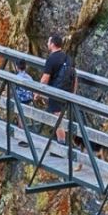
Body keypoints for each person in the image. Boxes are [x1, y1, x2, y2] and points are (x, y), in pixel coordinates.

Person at [39, 34, 79, 168]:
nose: (47, 44)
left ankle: (61, 147)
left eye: (48, 42)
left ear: (52, 44)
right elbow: (75, 76)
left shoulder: (51, 59)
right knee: (60, 117)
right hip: (66, 92)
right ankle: (64, 144)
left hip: (55, 92)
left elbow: (45, 78)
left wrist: (37, 92)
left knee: (58, 118)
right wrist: (72, 94)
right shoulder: (68, 58)